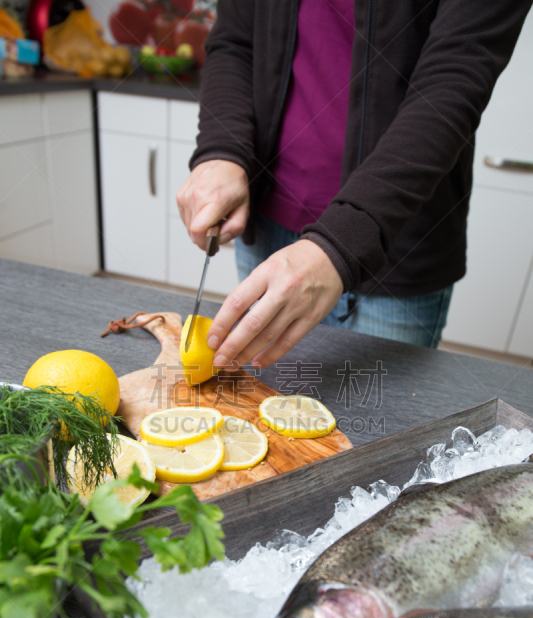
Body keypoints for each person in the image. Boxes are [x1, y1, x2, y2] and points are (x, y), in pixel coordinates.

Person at [177, 0, 531, 370]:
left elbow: (455, 76)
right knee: (263, 409)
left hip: (395, 246)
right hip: (268, 227)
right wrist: (222, 149)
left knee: (376, 424)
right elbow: (235, 40)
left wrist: (341, 243)